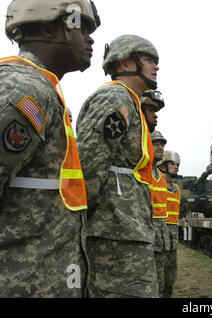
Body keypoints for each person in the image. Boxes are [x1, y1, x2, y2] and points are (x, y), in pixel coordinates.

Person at [0, 0, 100, 297]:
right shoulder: (24, 90)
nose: (90, 37)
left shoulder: (43, 89)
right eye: (82, 25)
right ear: (47, 27)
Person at [76, 34, 159, 298]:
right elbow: (89, 163)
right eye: (148, 60)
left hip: (125, 227)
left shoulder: (129, 101)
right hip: (114, 232)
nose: (156, 67)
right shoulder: (115, 98)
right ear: (124, 64)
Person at [149, 130, 172, 297]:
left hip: (161, 238)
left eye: (162, 144)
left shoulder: (162, 179)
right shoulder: (142, 174)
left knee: (161, 283)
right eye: (155, 143)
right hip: (147, 237)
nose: (160, 147)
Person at [158, 151, 182, 298]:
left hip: (172, 240)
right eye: (172, 163)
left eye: (177, 164)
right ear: (162, 166)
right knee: (158, 280)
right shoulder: (156, 185)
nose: (176, 167)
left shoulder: (177, 189)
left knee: (170, 279)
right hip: (159, 237)